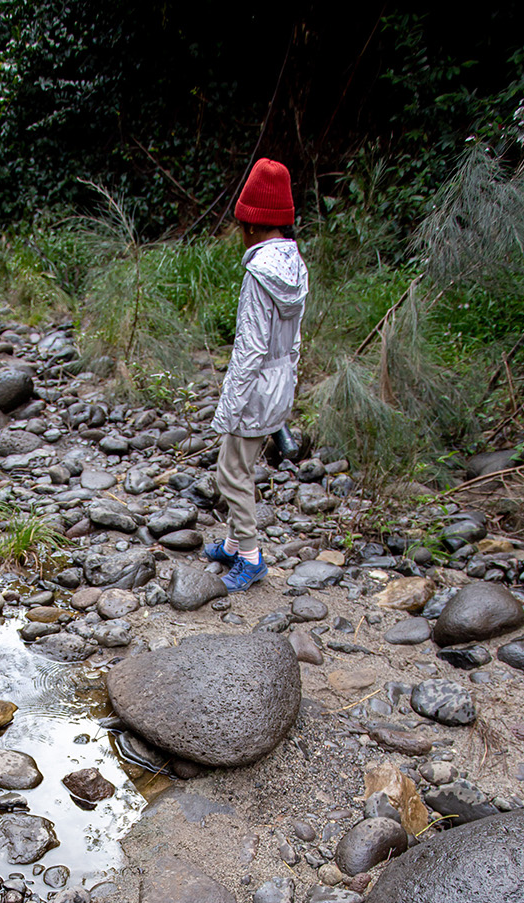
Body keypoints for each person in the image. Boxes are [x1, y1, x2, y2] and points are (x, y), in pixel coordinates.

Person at [208, 157, 308, 591]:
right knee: (238, 463)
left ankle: (249, 556)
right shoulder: (295, 267)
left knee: (232, 472)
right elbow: (295, 338)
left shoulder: (257, 275)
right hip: (280, 382)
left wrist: (226, 409)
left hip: (254, 389)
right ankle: (233, 543)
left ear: (250, 223)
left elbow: (249, 349)